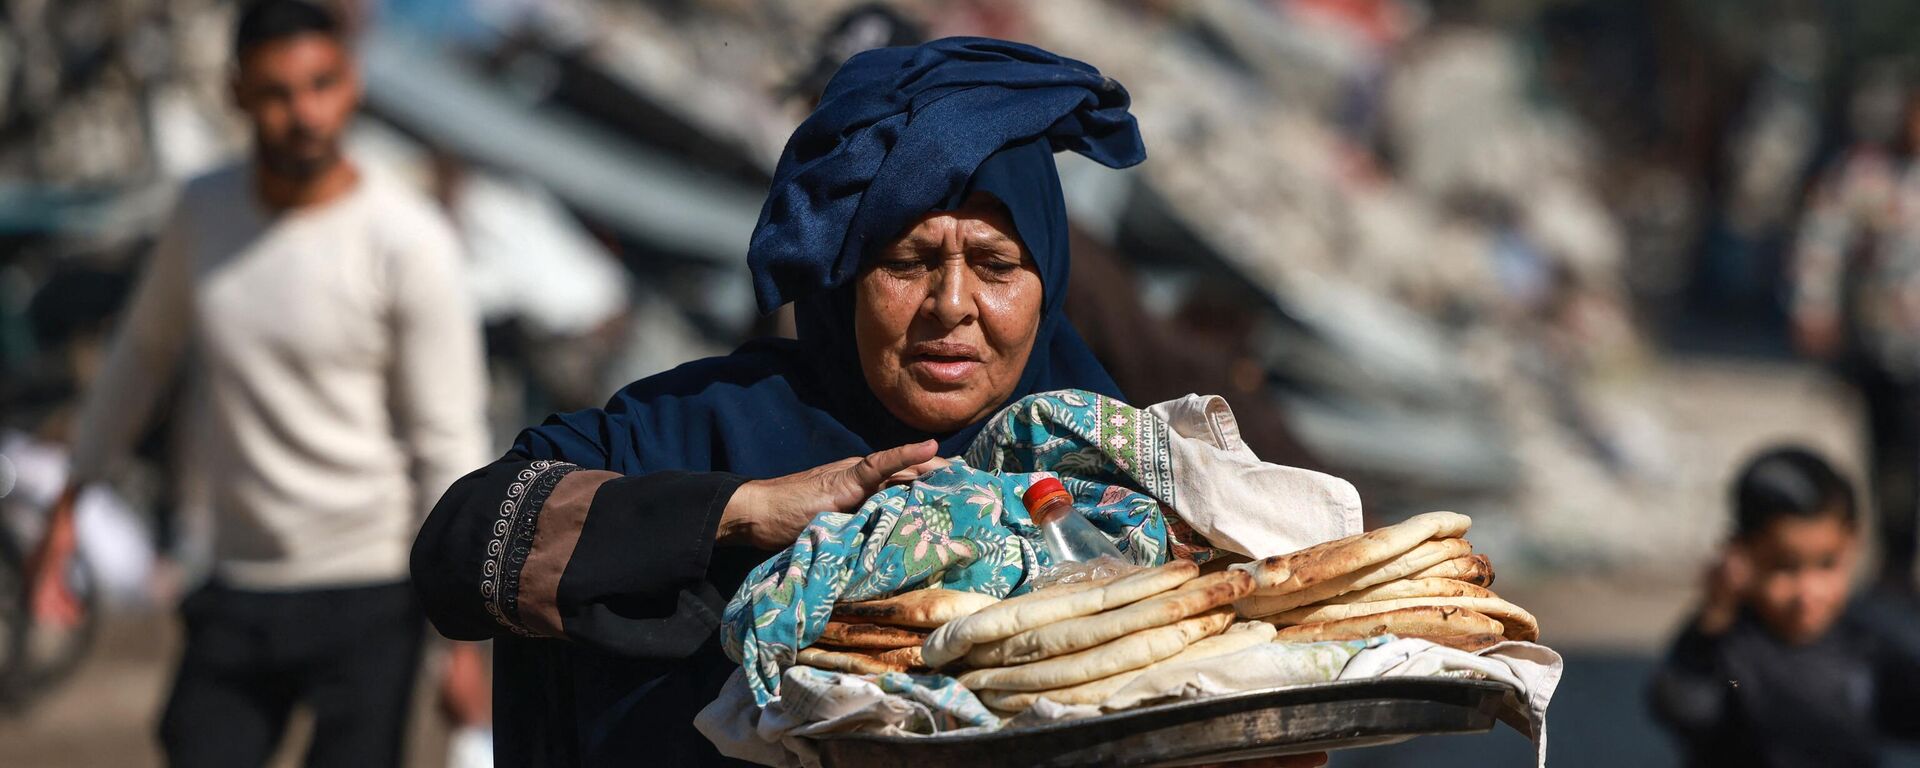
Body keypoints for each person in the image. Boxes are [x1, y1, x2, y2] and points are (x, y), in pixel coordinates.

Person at [410, 38, 1327, 768]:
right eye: (908, 262)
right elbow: (460, 549)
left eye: (998, 266)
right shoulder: (704, 427)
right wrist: (741, 515)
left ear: (1050, 286)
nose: (954, 305)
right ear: (844, 280)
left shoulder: (1113, 463)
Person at [21, 1, 491, 765]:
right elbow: (140, 356)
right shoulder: (203, 213)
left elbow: (447, 440)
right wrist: (71, 501)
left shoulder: (409, 241)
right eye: (277, 93)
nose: (304, 113)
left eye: (321, 85)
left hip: (371, 585)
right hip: (239, 579)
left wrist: (461, 635)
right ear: (237, 94)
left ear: (352, 84)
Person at [1648, 447, 1920, 767]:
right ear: (1740, 555)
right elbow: (1685, 706)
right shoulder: (1727, 650)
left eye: (1827, 564)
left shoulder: (1863, 644)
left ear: (1852, 545)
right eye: (1784, 568)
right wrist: (1715, 616)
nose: (1808, 591)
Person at [1791, 87, 1920, 595]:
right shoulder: (1864, 173)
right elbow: (1821, 241)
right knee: (1889, 457)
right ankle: (1896, 562)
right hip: (1884, 347)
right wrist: (1814, 309)